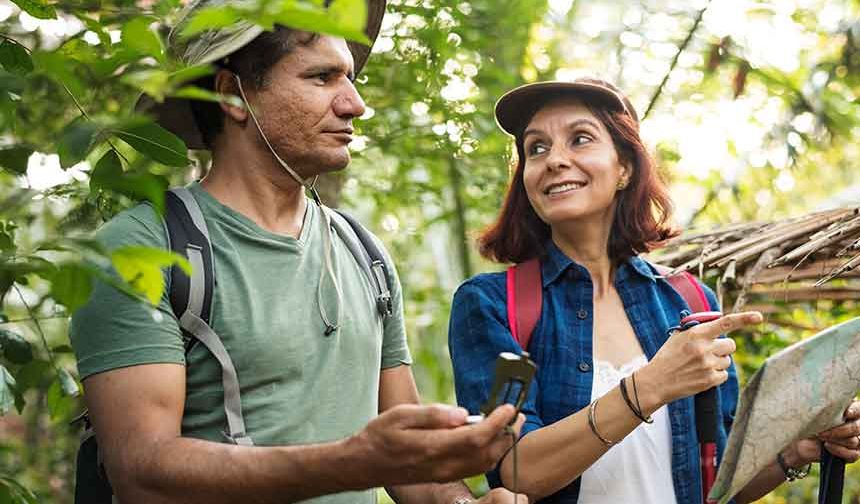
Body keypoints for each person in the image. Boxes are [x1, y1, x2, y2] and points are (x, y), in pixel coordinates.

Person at [69, 1, 526, 503]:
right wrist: (355, 460)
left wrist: (464, 503)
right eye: (323, 78)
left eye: (350, 79)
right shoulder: (142, 249)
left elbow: (409, 470)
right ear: (233, 95)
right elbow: (143, 473)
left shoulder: (363, 253)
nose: (355, 104)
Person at [447, 77, 860, 504]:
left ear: (624, 168)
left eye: (580, 139)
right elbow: (515, 472)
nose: (554, 160)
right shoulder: (493, 305)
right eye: (536, 148)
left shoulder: (692, 303)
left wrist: (796, 450)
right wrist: (651, 386)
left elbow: (717, 481)